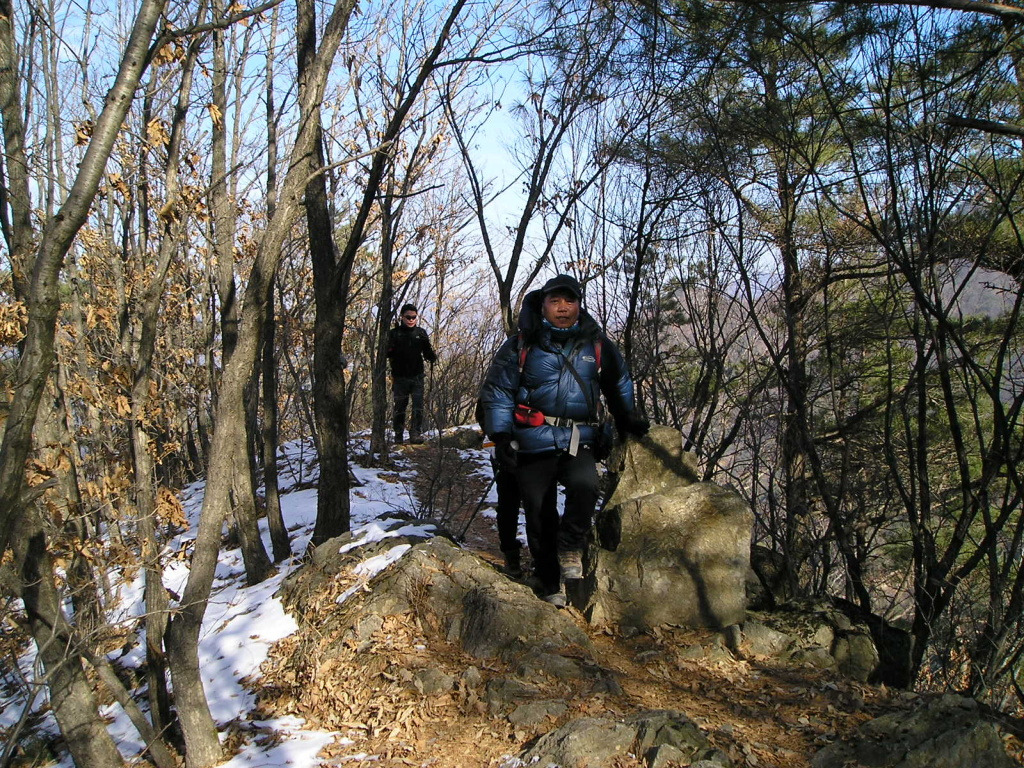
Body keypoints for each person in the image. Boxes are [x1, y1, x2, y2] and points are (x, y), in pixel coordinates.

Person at [478, 275, 649, 607]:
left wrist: (628, 419)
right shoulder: (521, 344)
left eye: (569, 301)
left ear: (578, 304)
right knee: (539, 512)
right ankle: (547, 581)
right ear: (543, 305)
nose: (562, 308)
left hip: (578, 437)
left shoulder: (597, 345)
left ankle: (570, 545)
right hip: (531, 440)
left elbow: (619, 384)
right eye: (555, 301)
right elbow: (498, 391)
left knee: (585, 485)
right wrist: (500, 437)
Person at [387, 303, 437, 444]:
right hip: (400, 377)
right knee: (400, 407)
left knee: (418, 406)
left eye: (414, 317)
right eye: (408, 317)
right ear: (402, 317)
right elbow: (385, 353)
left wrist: (432, 355)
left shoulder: (421, 333)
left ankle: (415, 433)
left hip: (417, 376)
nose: (411, 320)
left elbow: (427, 352)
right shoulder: (394, 334)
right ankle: (398, 435)